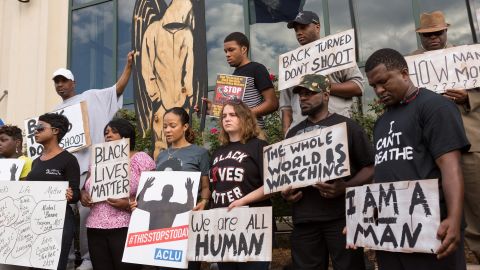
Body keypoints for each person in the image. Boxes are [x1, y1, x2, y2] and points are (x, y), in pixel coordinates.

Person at [364, 48, 470, 270]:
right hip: (392, 233)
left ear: (404, 73)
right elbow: (382, 173)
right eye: (373, 86)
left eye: (383, 82)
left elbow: (450, 167)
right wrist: (363, 220)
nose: (379, 90)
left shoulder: (435, 106)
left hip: (432, 228)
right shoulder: (381, 122)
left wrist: (454, 218)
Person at [280, 74, 374, 270]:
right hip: (304, 219)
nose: (302, 98)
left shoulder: (347, 126)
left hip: (341, 217)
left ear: (325, 95)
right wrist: (286, 193)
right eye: (300, 94)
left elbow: (371, 166)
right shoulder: (292, 134)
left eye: (309, 93)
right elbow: (284, 176)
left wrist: (345, 187)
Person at [52, 51, 133, 270]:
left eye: (64, 81)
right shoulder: (53, 113)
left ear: (73, 82)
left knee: (89, 215)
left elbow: (117, 89)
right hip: (63, 175)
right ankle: (68, 260)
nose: (60, 85)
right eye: (56, 82)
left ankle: (87, 259)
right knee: (63, 219)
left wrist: (128, 66)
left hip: (90, 172)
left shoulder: (90, 97)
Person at [411, 11, 480, 260]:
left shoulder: (467, 57)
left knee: (476, 208)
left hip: (468, 145)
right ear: (421, 37)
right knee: (436, 209)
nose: (433, 38)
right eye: (427, 35)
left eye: (437, 33)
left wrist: (468, 96)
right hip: (430, 149)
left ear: (446, 32)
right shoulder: (410, 65)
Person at [132, 107, 210, 270]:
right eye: (165, 126)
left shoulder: (199, 153)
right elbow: (153, 189)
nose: (167, 130)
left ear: (185, 127)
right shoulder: (160, 156)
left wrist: (204, 201)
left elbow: (205, 186)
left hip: (187, 223)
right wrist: (138, 204)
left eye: (172, 126)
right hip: (161, 230)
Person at [79, 118, 155, 270]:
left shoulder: (140, 158)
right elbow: (85, 188)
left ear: (127, 135)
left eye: (114, 131)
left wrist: (129, 204)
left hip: (126, 227)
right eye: (106, 132)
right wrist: (83, 196)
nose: (108, 135)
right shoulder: (97, 160)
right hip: (95, 228)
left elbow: (153, 194)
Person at [280, 11, 364, 135]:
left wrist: (323, 86)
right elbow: (286, 107)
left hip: (336, 129)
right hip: (300, 136)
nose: (299, 32)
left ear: (317, 27)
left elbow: (358, 87)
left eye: (303, 27)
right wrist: (287, 134)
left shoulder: (336, 50)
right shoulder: (290, 63)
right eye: (296, 29)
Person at [209, 100, 271, 270]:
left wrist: (242, 201)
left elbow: (272, 184)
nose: (227, 119)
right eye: (224, 116)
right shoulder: (217, 152)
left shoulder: (259, 146)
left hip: (252, 226)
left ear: (245, 118)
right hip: (223, 226)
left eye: (233, 115)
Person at [26, 113, 80, 270]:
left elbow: (75, 195)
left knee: (54, 265)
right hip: (35, 222)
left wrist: (71, 195)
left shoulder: (69, 160)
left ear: (55, 131)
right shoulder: (36, 161)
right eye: (35, 128)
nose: (35, 131)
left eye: (40, 128)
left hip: (59, 222)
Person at [221, 32, 278, 127]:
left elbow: (272, 103)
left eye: (231, 50)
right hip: (236, 134)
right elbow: (231, 110)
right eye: (225, 51)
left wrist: (244, 114)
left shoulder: (256, 68)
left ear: (243, 49)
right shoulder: (233, 76)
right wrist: (211, 108)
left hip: (254, 133)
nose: (227, 54)